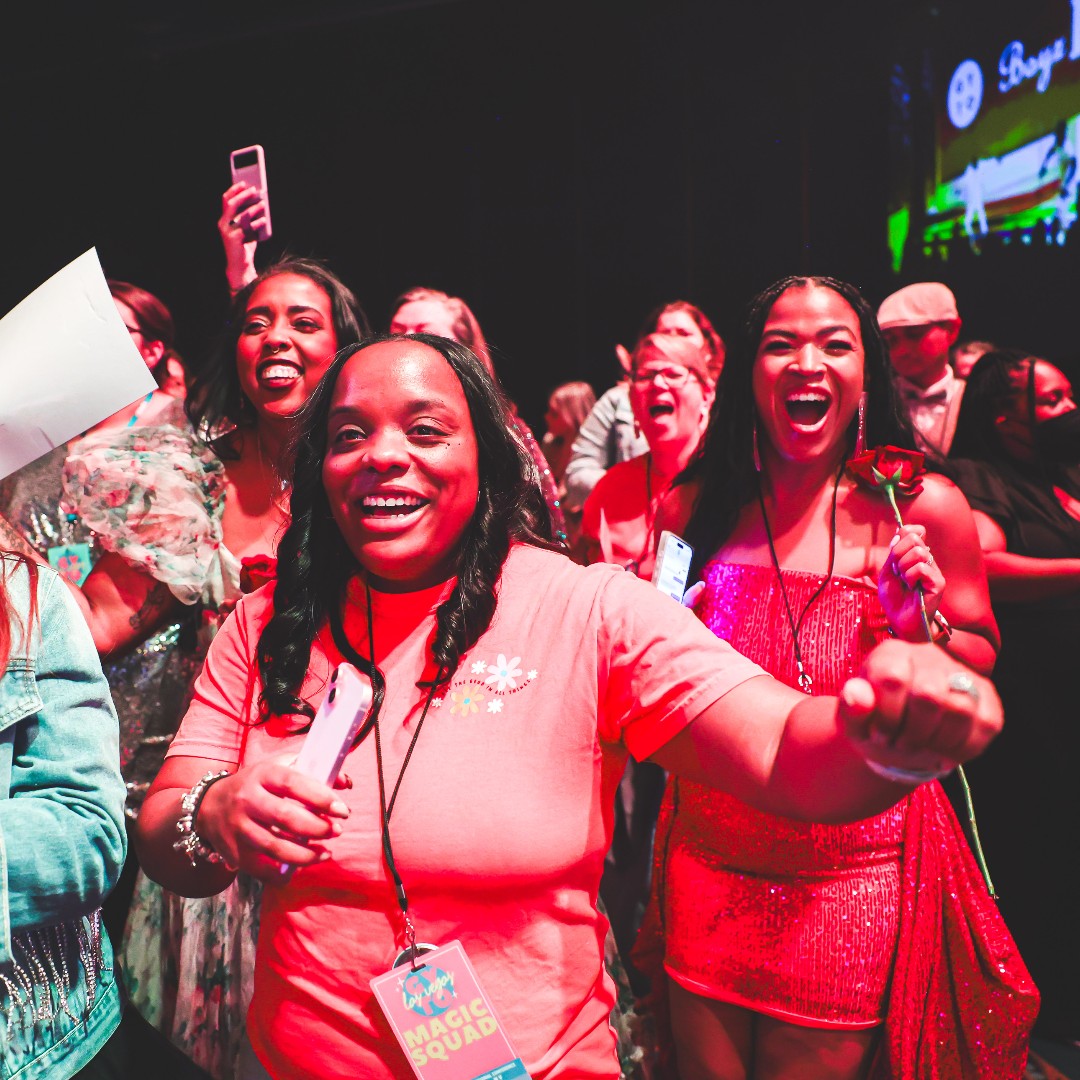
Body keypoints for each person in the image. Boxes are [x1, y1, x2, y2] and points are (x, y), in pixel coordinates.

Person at [131, 332, 1004, 1080]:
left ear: (488, 456)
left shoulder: (588, 610)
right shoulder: (266, 624)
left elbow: (783, 750)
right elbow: (171, 836)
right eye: (348, 435)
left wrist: (884, 743)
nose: (382, 455)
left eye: (426, 429)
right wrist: (213, 814)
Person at [636, 276, 1034, 1080]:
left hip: (848, 883)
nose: (805, 362)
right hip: (705, 864)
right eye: (780, 344)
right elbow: (647, 667)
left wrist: (918, 627)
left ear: (865, 375)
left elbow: (980, 658)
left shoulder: (923, 508)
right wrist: (662, 625)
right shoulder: (693, 509)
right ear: (747, 372)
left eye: (834, 343)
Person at [111, 256, 367, 1079]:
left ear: (346, 347)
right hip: (208, 802)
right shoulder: (187, 472)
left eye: (302, 321)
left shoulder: (375, 476)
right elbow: (109, 612)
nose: (276, 337)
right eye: (256, 321)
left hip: (344, 808)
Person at [947, 349, 1080, 1045]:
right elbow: (987, 566)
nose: (1068, 410)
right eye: (1051, 401)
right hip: (1036, 708)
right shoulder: (979, 479)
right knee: (1050, 852)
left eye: (1067, 397)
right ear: (1005, 421)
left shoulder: (1062, 472)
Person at [564, 300, 724, 510]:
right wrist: (629, 490)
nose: (672, 341)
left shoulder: (731, 400)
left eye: (683, 333)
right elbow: (579, 470)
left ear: (708, 347)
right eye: (665, 333)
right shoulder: (620, 398)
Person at [580, 333, 714, 577]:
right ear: (632, 401)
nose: (658, 384)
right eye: (645, 376)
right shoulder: (611, 488)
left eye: (674, 374)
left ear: (706, 395)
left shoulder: (732, 485)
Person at [877, 282, 964, 458]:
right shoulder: (878, 400)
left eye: (914, 334)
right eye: (891, 341)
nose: (901, 350)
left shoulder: (973, 398)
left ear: (951, 330)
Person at [540, 380, 596, 549]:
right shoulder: (549, 443)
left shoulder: (593, 452)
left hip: (584, 537)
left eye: (555, 414)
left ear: (573, 416)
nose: (546, 417)